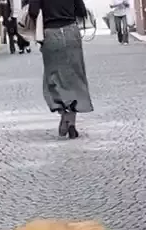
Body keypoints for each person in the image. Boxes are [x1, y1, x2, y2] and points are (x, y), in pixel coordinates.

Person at [23, 0, 94, 139]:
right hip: (71, 33)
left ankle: (64, 114)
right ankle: (72, 122)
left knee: (54, 77)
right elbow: (81, 11)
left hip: (51, 34)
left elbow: (32, 12)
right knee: (75, 78)